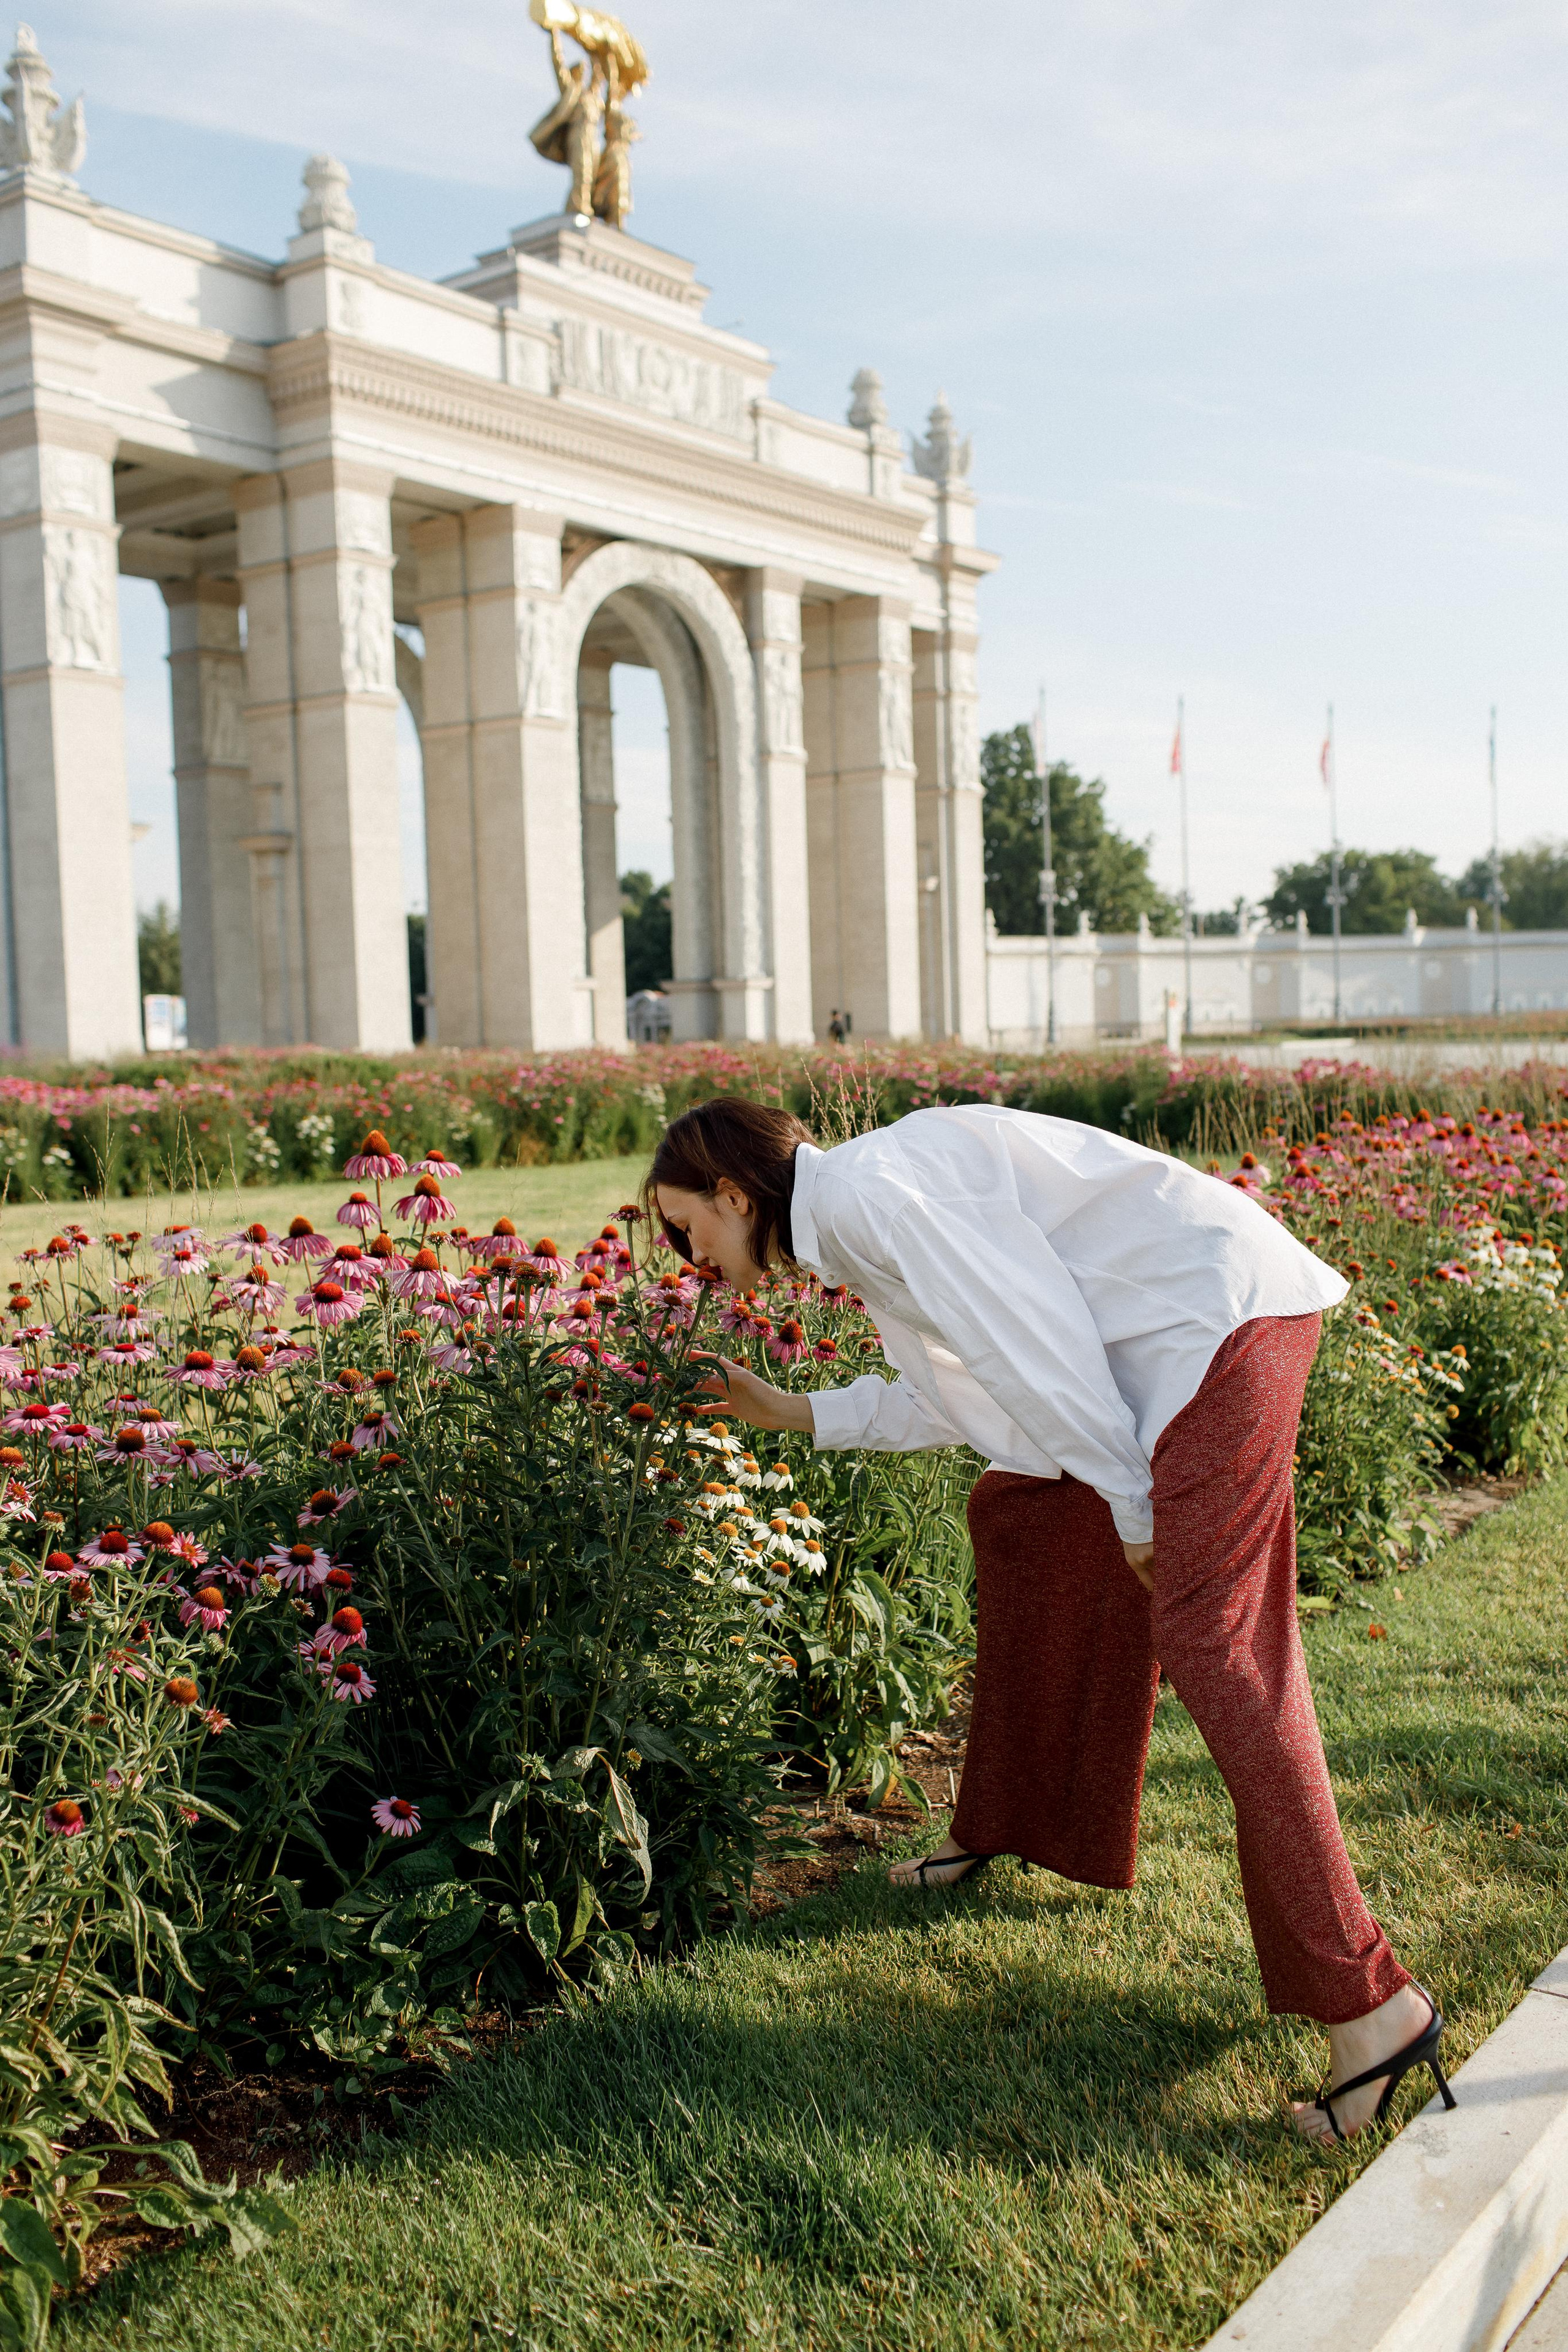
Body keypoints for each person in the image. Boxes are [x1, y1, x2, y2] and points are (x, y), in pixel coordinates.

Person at [647, 1095, 1455, 2145]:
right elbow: (961, 1389)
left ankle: (1376, 2011)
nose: (683, 1254)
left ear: (732, 1192)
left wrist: (1131, 1503)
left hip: (1212, 1334)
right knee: (1026, 1515)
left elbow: (1035, 1338)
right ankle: (1014, 1823)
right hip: (1199, 1334)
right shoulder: (855, 1209)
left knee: (1222, 1656)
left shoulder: (871, 1202)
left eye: (683, 1228)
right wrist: (791, 1409)